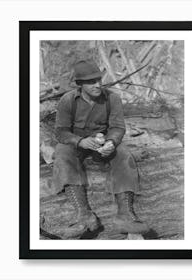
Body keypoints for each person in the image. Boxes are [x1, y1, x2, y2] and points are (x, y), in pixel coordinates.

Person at [52, 59, 149, 238]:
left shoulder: (112, 98)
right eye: (91, 82)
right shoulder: (68, 100)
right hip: (78, 144)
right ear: (80, 84)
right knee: (62, 152)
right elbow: (60, 131)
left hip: (103, 142)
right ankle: (84, 215)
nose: (97, 85)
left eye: (98, 80)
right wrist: (80, 141)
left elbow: (118, 127)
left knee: (124, 154)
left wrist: (111, 142)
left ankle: (125, 215)